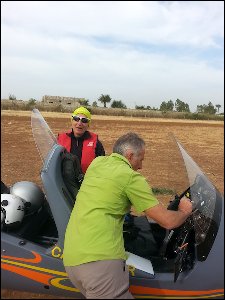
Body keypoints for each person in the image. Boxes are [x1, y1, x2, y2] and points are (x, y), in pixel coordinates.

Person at [63, 132, 193, 299]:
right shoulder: (131, 178)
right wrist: (184, 211)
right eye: (141, 159)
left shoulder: (97, 163)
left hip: (72, 259)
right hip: (99, 263)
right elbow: (167, 221)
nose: (141, 166)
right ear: (130, 156)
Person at [57, 106, 105, 174]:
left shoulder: (96, 144)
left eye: (84, 120)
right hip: (63, 182)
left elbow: (102, 167)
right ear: (72, 121)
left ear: (88, 124)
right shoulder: (59, 140)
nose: (79, 123)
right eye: (76, 119)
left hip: (86, 182)